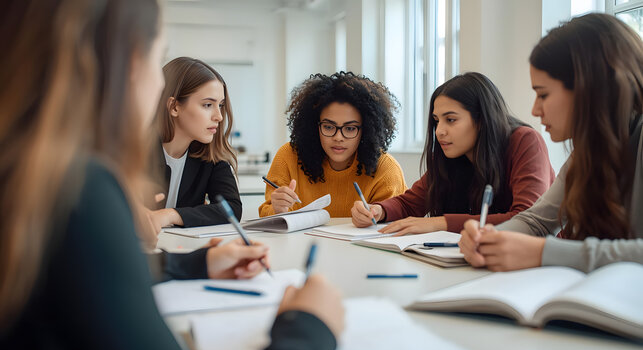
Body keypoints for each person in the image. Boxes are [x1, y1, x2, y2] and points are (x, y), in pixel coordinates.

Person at [0, 0, 344, 350]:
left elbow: (88, 280)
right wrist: (308, 327)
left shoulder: (34, 175)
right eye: (156, 55)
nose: (217, 116)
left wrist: (195, 263)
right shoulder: (81, 189)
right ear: (130, 64)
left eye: (219, 106)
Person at [459, 13, 643, 273]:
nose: (535, 110)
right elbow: (536, 221)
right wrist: (488, 237)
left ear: (589, 88)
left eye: (543, 94)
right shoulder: (589, 152)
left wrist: (544, 252)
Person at [352, 72, 555, 235]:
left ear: (482, 119)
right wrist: (378, 210)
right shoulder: (450, 156)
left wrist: (441, 223)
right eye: (436, 120)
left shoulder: (525, 141)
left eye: (450, 120)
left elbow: (526, 220)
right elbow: (409, 203)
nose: (439, 131)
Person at [258, 72, 407, 217]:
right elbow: (266, 214)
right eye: (329, 127)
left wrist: (375, 217)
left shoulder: (386, 169)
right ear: (315, 126)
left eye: (350, 129)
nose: (338, 137)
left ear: (366, 130)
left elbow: (395, 223)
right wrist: (278, 210)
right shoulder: (288, 156)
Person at [147, 57, 241, 230]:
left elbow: (232, 209)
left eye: (220, 105)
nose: (219, 116)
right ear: (174, 107)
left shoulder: (211, 155)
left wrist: (170, 215)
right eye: (207, 105)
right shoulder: (134, 149)